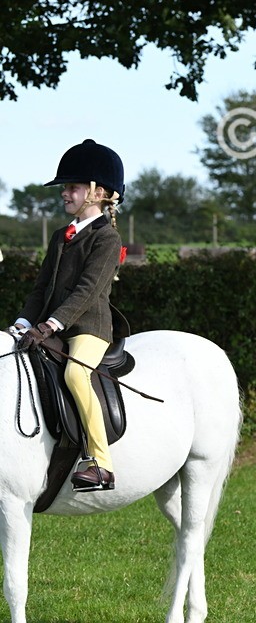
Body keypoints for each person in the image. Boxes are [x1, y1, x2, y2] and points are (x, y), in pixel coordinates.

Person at [10, 139, 126, 492]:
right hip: (49, 326)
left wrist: (50, 324)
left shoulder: (107, 238)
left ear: (98, 192)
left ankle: (101, 463)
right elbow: (40, 288)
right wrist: (24, 323)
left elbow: (86, 291)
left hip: (88, 328)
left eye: (72, 187)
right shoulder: (61, 236)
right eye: (65, 188)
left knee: (76, 375)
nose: (65, 193)